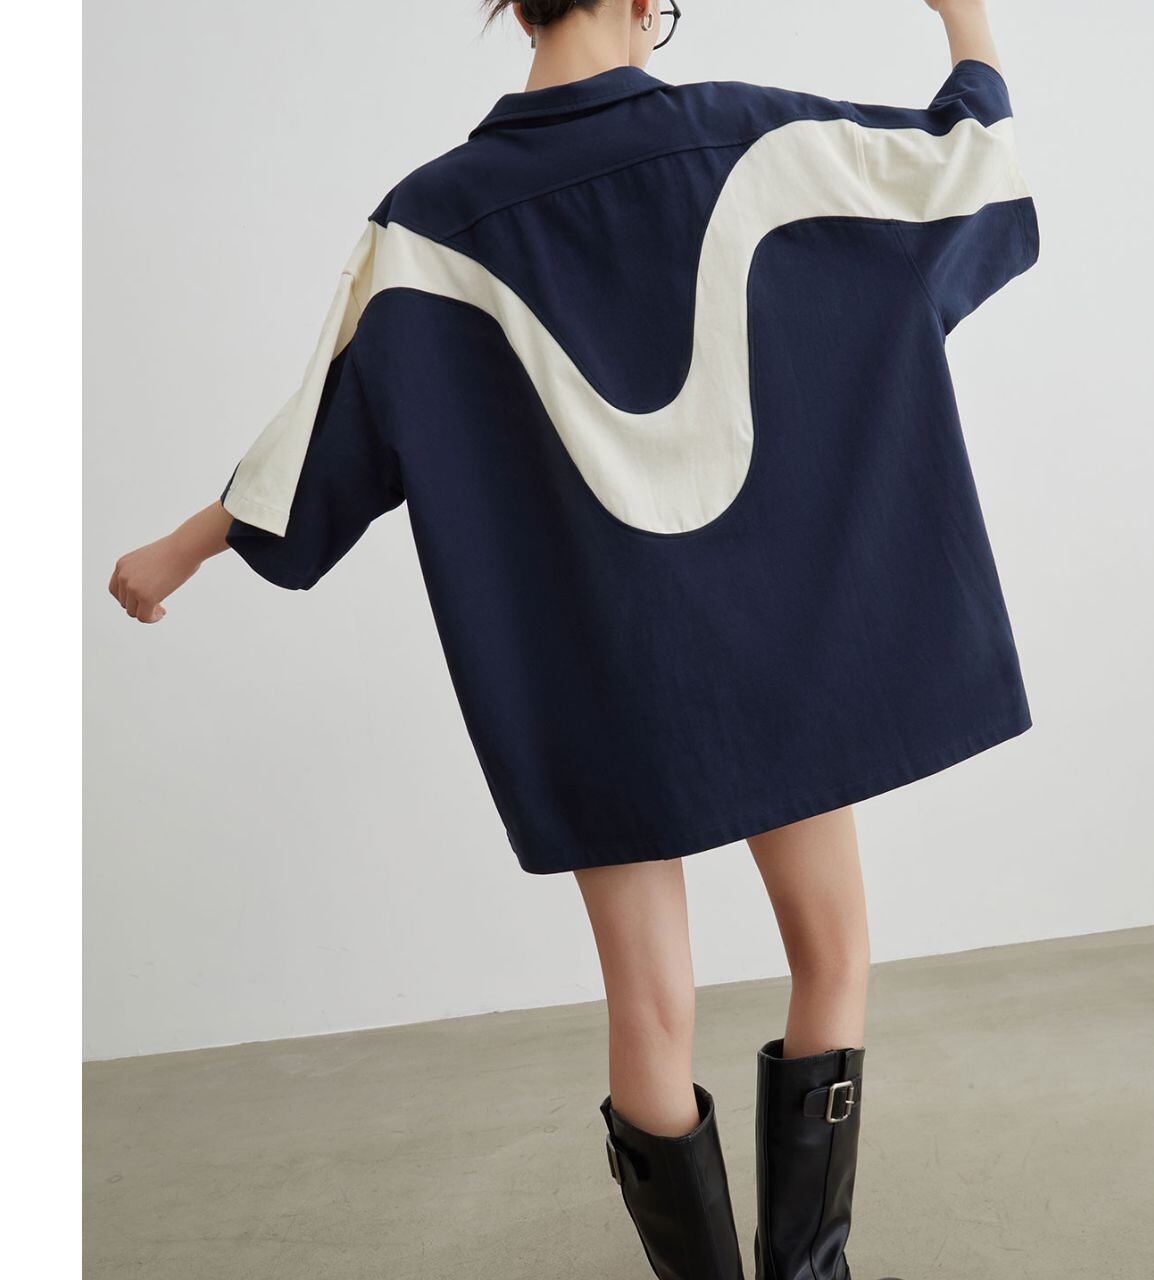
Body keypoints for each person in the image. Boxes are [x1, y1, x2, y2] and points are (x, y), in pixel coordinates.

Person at [109, 1, 1036, 1275]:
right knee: (829, 952)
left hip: (602, 674)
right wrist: (963, 18)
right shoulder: (755, 139)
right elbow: (965, 176)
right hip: (789, 650)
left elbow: (326, 430)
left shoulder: (429, 223)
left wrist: (183, 544)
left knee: (648, 1005)